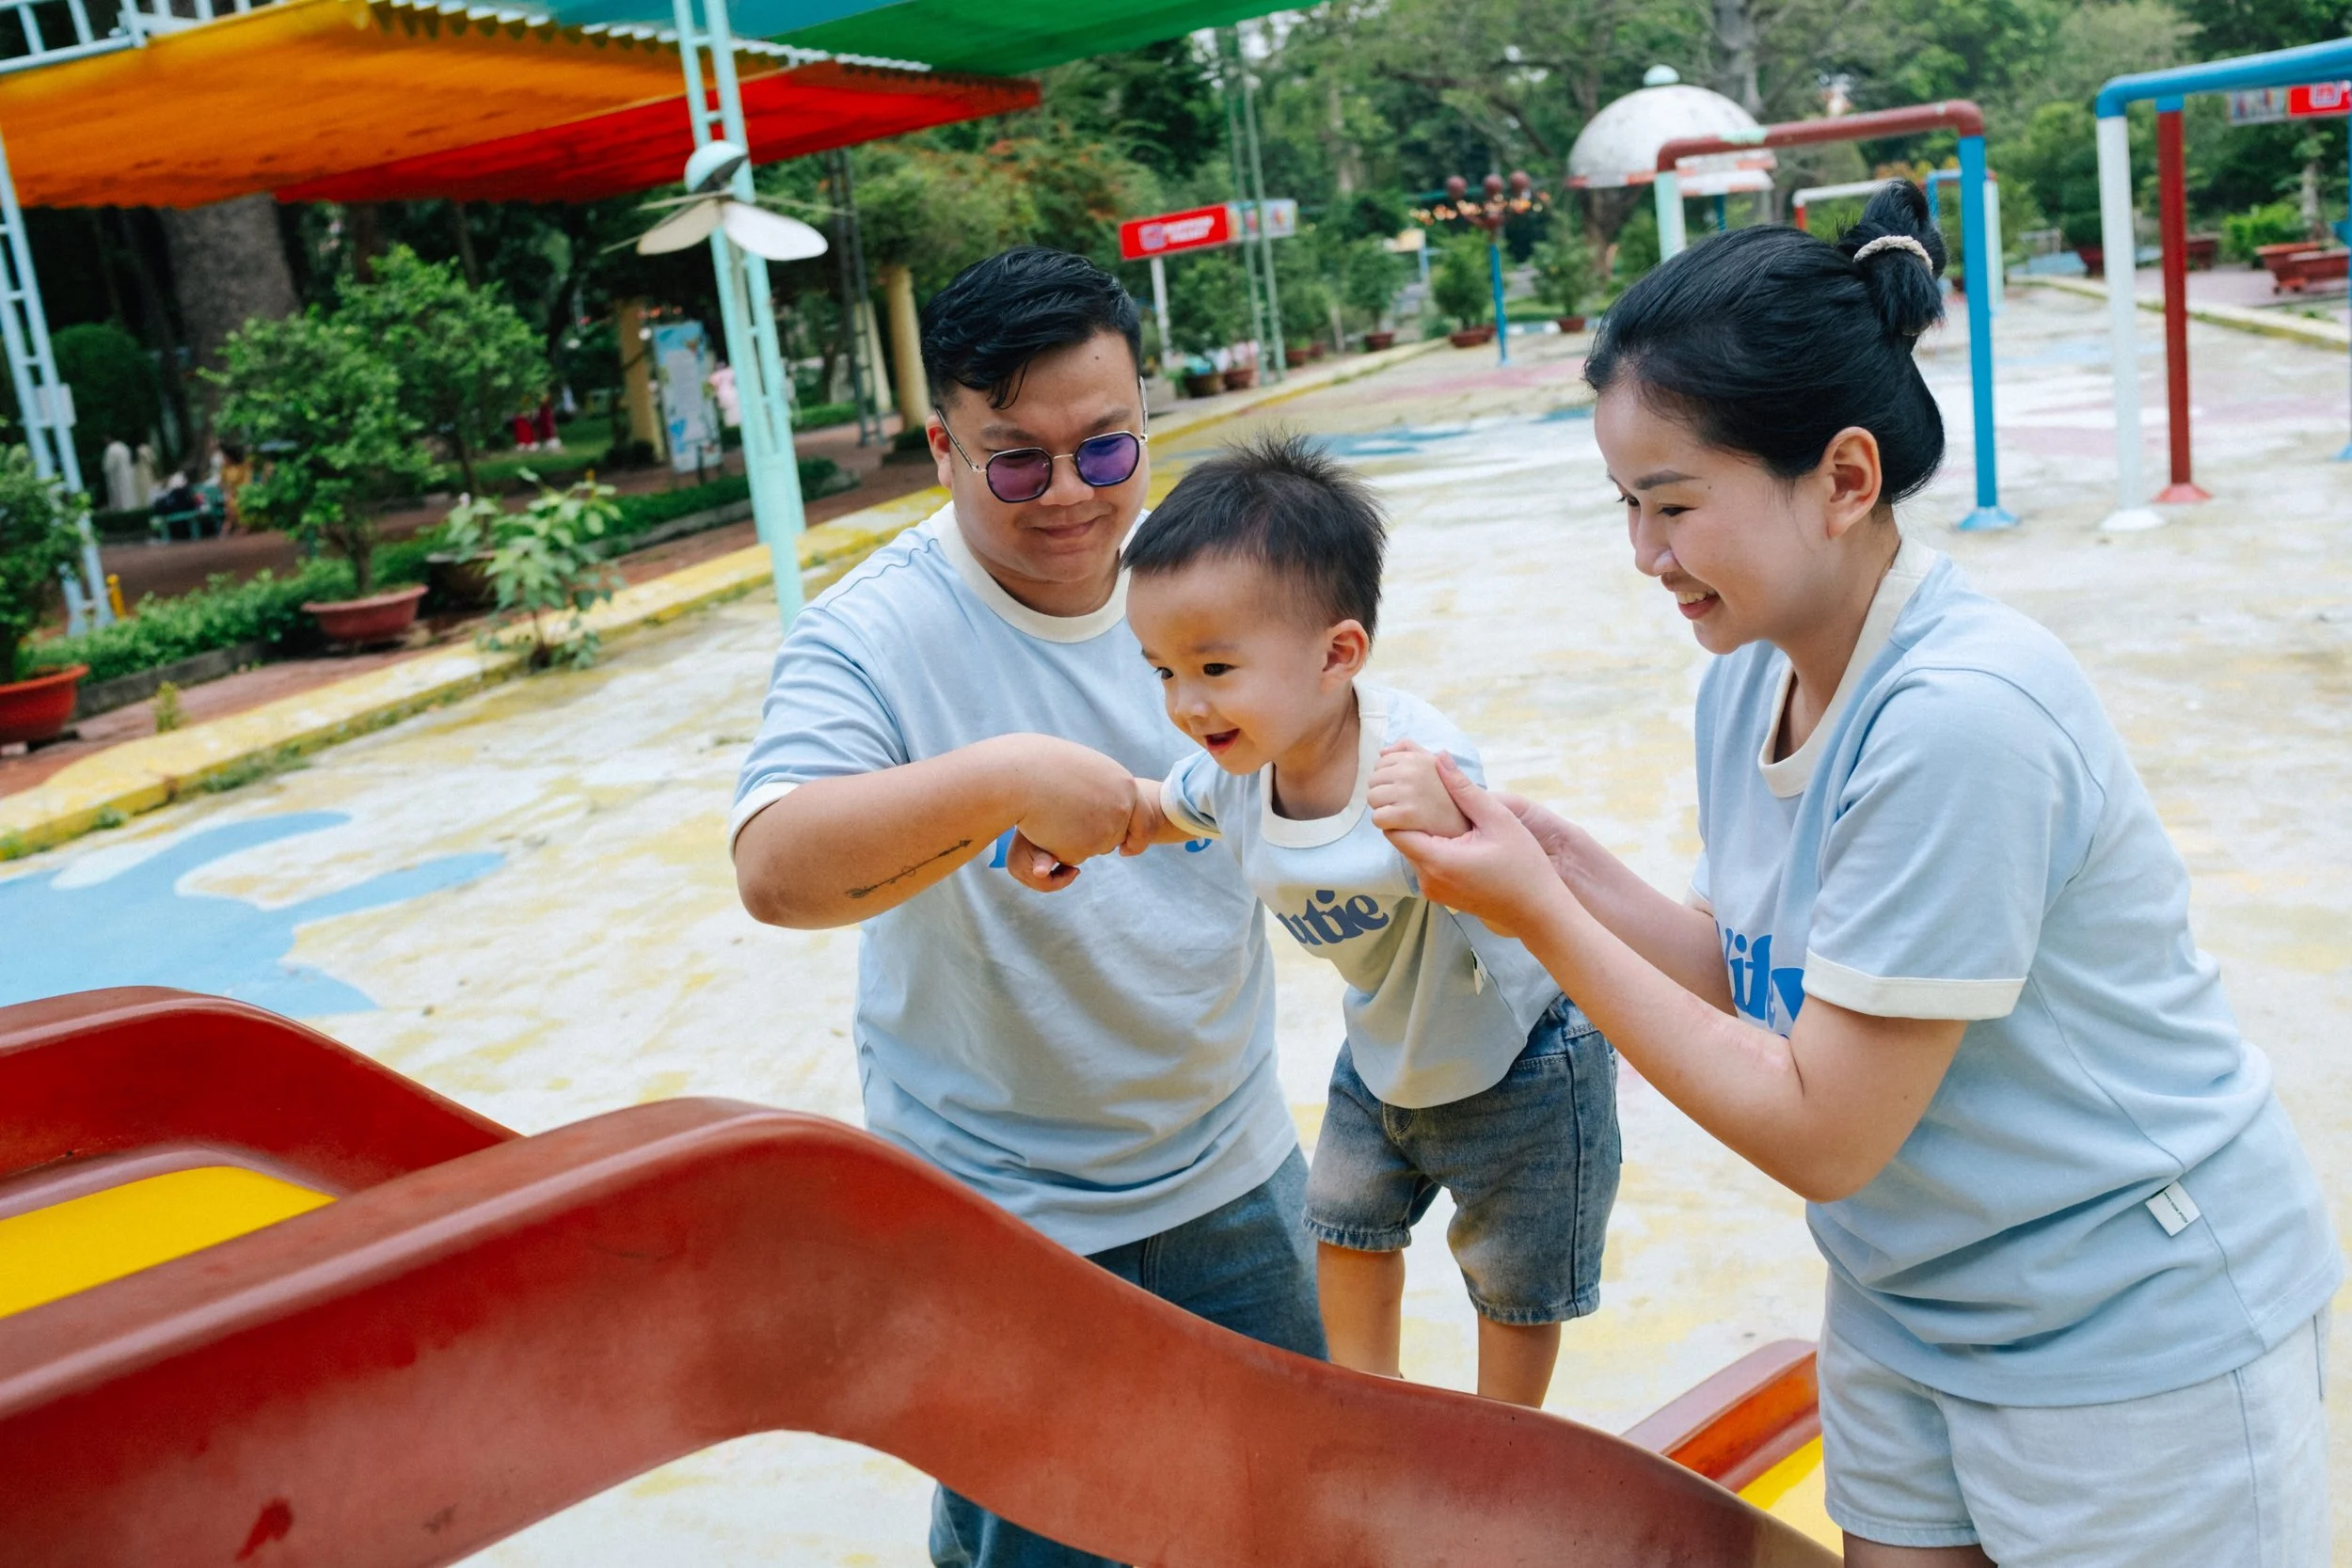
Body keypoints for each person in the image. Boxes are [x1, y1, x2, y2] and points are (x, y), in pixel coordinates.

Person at [1381, 180, 2340, 1566]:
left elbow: (1824, 1124)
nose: (1645, 555)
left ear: (1842, 478)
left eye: (1673, 504)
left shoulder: (1961, 715)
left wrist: (1535, 910)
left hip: (2128, 1325)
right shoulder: (1747, 674)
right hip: (1911, 1291)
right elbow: (1758, 977)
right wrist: (1560, 862)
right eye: (1625, 506)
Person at [729, 247, 1322, 1568]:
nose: (1069, 495)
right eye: (1016, 460)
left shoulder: (1226, 581)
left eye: (1106, 451)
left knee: (1289, 1518)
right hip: (1002, 1213)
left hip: (1236, 1164)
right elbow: (775, 868)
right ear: (941, 446)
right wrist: (1000, 782)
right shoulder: (873, 634)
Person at [1100, 435, 1619, 1408]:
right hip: (1388, 1046)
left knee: (1513, 1275)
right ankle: (1366, 1406)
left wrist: (1447, 808)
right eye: (1162, 670)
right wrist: (1079, 826)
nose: (1184, 701)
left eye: (1213, 665)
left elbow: (1505, 846)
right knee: (1341, 1217)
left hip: (1523, 1056)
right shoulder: (1236, 770)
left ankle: (1504, 1444)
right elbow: (1159, 806)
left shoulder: (1411, 764)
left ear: (1338, 654)